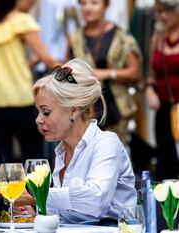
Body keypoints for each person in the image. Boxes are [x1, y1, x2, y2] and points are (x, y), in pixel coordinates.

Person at [16, 59, 136, 224]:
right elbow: (68, 213)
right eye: (38, 112)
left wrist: (35, 197)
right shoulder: (61, 152)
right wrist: (35, 211)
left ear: (73, 110)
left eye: (46, 112)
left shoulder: (107, 143)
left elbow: (95, 201)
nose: (38, 120)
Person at [0, 0, 59, 186]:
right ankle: (39, 203)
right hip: (16, 99)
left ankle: (4, 207)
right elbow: (48, 60)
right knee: (33, 157)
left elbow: (3, 59)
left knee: (3, 159)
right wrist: (71, 75)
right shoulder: (22, 21)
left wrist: (27, 63)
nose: (33, 3)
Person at [67, 0, 142, 145]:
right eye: (83, 3)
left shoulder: (120, 36)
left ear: (106, 5)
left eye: (94, 3)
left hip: (116, 108)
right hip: (85, 110)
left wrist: (108, 73)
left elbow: (136, 73)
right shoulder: (74, 38)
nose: (88, 7)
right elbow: (67, 71)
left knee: (113, 153)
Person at [144, 0, 179, 180]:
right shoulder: (157, 37)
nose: (164, 15)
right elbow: (151, 74)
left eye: (169, 10)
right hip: (164, 108)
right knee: (166, 162)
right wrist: (149, 90)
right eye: (160, 11)